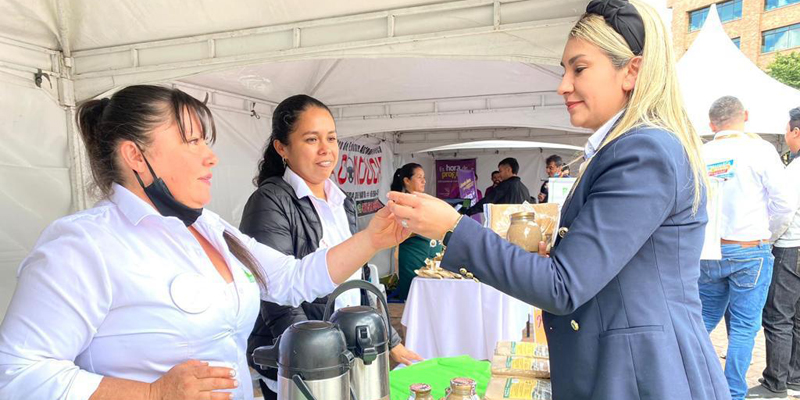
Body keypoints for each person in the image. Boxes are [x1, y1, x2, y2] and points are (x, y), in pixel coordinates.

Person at [387, 0, 731, 398]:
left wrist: (453, 227)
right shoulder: (632, 147)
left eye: (579, 69)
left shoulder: (642, 152)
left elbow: (564, 287)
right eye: (564, 70)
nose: (563, 85)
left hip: (643, 376)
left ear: (631, 71)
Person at [0, 85, 408, 400]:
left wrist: (374, 238)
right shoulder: (82, 244)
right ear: (136, 156)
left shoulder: (208, 226)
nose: (210, 157)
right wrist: (151, 393)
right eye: (192, 141)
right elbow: (16, 371)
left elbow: (291, 277)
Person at [239, 95, 422, 399]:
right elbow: (276, 296)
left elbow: (361, 279)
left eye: (332, 138)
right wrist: (313, 360)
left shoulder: (342, 202)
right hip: (305, 368)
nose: (326, 149)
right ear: (282, 147)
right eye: (311, 139)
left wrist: (388, 339)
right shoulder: (269, 202)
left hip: (348, 353)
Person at [698, 96, 796, 400]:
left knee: (701, 321)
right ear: (746, 116)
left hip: (709, 252)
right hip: (749, 249)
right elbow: (784, 204)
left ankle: (692, 379)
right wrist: (768, 236)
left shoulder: (701, 152)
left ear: (712, 124)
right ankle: (732, 393)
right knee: (743, 327)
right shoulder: (761, 151)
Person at [749, 107, 800, 399]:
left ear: (796, 132)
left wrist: (769, 239)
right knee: (798, 318)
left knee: (779, 317)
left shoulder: (794, 169)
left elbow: (784, 211)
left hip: (790, 248)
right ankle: (794, 377)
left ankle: (775, 383)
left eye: (787, 131)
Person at [389, 163, 444, 301]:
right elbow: (399, 228)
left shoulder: (424, 200)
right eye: (419, 177)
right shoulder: (400, 203)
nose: (424, 181)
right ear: (407, 181)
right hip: (413, 254)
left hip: (431, 253)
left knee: (432, 297)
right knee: (413, 297)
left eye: (424, 177)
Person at [461, 158, 531, 216]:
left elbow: (488, 201)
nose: (499, 175)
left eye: (500, 171)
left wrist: (468, 212)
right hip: (520, 227)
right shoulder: (525, 190)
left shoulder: (505, 185)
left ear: (508, 170)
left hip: (504, 226)